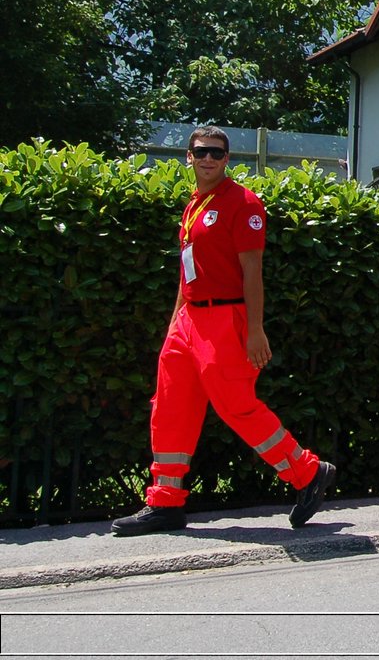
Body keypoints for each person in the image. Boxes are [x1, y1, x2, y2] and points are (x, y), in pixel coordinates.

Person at [111, 127, 336, 536]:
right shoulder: (194, 206)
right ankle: (165, 502)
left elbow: (253, 270)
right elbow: (186, 272)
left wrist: (254, 330)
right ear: (189, 157)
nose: (208, 159)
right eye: (201, 152)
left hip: (225, 318)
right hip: (188, 320)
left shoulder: (243, 203)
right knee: (170, 405)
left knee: (235, 404)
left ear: (227, 159)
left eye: (217, 152)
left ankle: (307, 471)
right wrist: (173, 327)